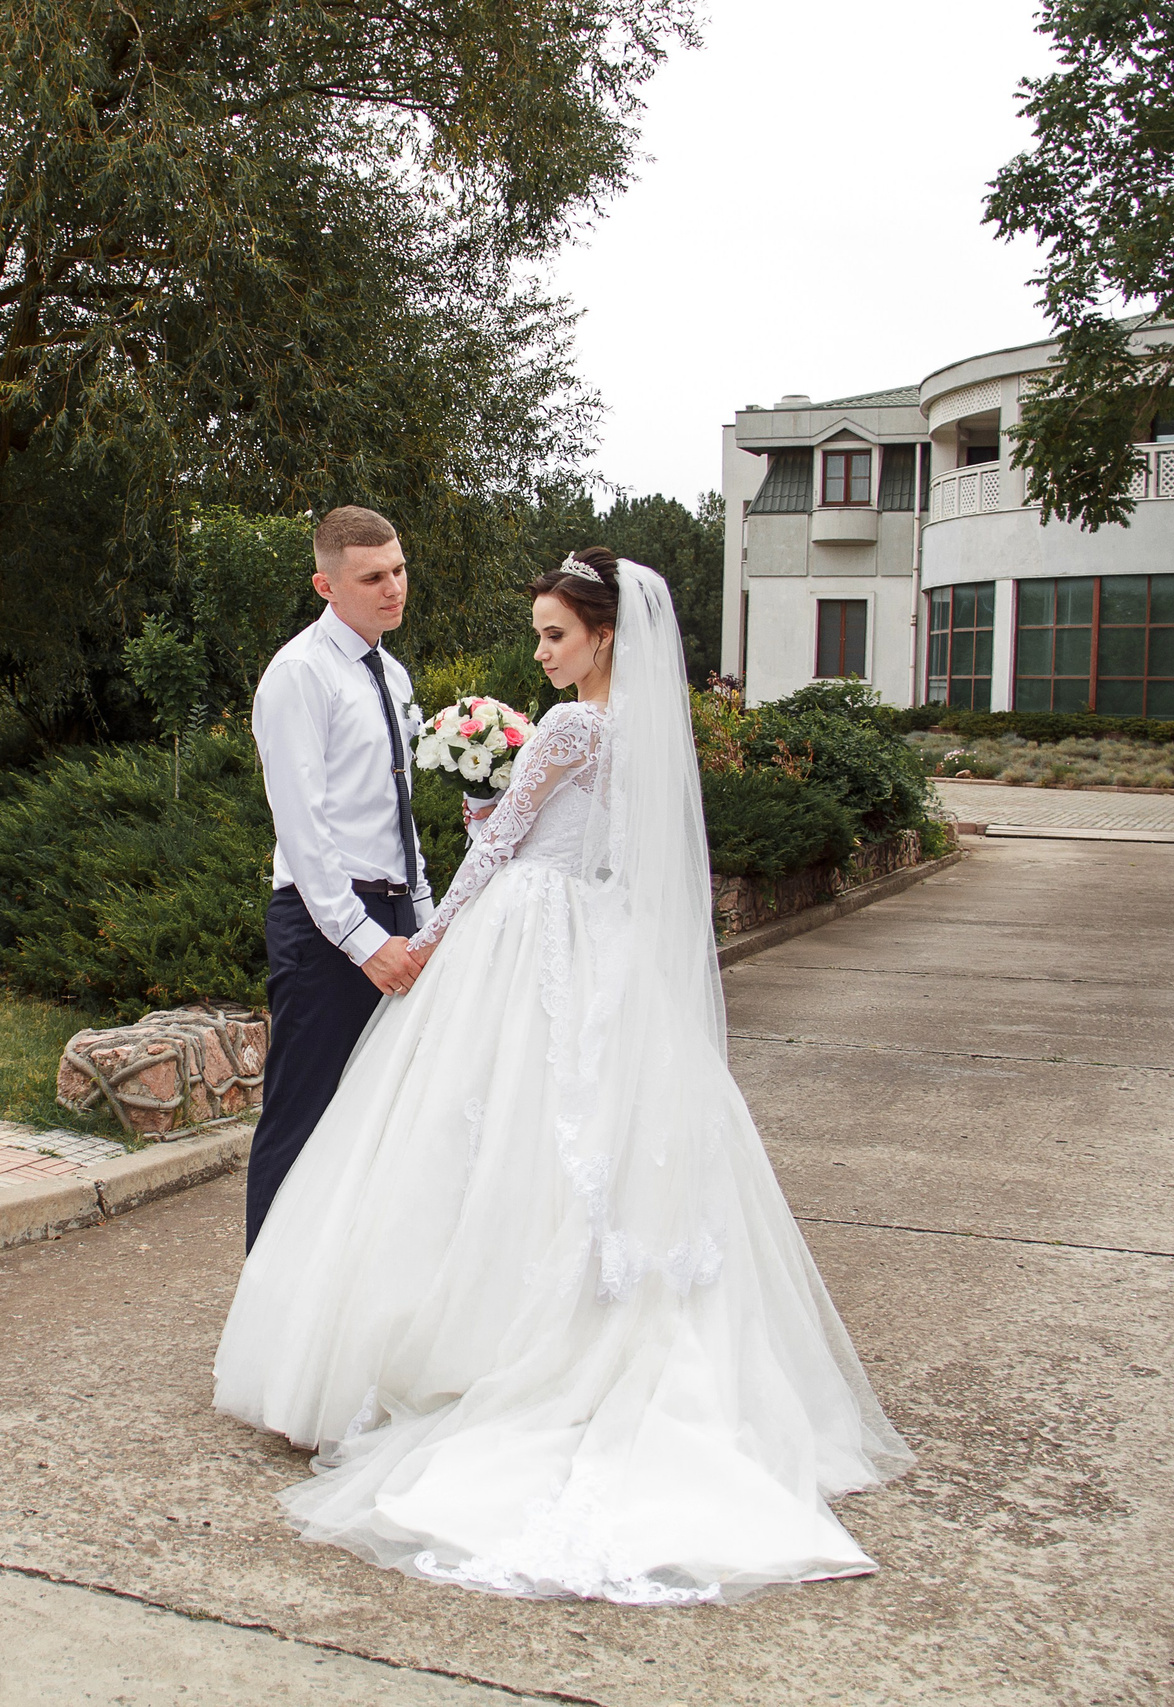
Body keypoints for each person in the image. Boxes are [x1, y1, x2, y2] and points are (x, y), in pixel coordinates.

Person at [216, 548, 911, 1606]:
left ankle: (439, 1345)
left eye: (553, 634)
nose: (539, 650)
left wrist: (427, 944)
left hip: (526, 940)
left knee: (486, 1138)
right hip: (605, 949)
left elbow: (497, 858)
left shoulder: (571, 727)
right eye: (538, 633)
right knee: (579, 1144)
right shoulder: (640, 736)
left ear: (603, 637)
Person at [245, 505, 434, 1250]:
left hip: (394, 917)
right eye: (373, 577)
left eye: (399, 570)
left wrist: (423, 919)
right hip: (326, 929)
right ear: (326, 583)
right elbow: (305, 828)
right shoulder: (299, 674)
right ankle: (268, 1318)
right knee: (303, 1119)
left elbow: (398, 811)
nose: (394, 588)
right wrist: (362, 940)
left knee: (384, 1121)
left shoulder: (391, 672)